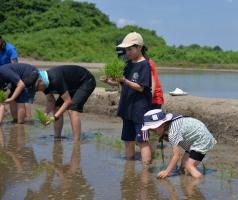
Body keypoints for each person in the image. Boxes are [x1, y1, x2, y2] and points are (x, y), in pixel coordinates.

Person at [101, 32, 152, 165]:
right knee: (128, 140)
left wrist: (125, 80)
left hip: (140, 110)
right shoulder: (127, 64)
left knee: (142, 140)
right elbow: (121, 82)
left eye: (130, 49)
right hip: (127, 108)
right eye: (126, 49)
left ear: (139, 47)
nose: (127, 52)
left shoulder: (145, 65)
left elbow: (141, 87)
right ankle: (129, 169)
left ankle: (146, 171)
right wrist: (108, 81)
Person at [141, 109, 217, 178]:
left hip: (202, 140)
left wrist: (166, 172)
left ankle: (199, 182)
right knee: (184, 164)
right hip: (195, 139)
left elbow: (176, 156)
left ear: (161, 125)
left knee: (189, 165)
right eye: (150, 130)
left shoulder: (172, 133)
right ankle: (186, 182)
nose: (152, 132)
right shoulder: (170, 124)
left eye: (153, 130)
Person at [30, 65, 96, 141]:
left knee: (72, 110)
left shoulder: (55, 79)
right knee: (57, 107)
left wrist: (54, 118)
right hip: (72, 85)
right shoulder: (43, 83)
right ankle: (57, 138)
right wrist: (44, 116)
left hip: (86, 81)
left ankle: (76, 142)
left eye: (37, 88)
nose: (38, 90)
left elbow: (68, 101)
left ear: (40, 80)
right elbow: (51, 101)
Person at [116, 44, 164, 109]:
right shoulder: (132, 62)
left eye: (129, 51)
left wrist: (148, 102)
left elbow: (153, 83)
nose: (125, 58)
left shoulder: (146, 62)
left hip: (153, 100)